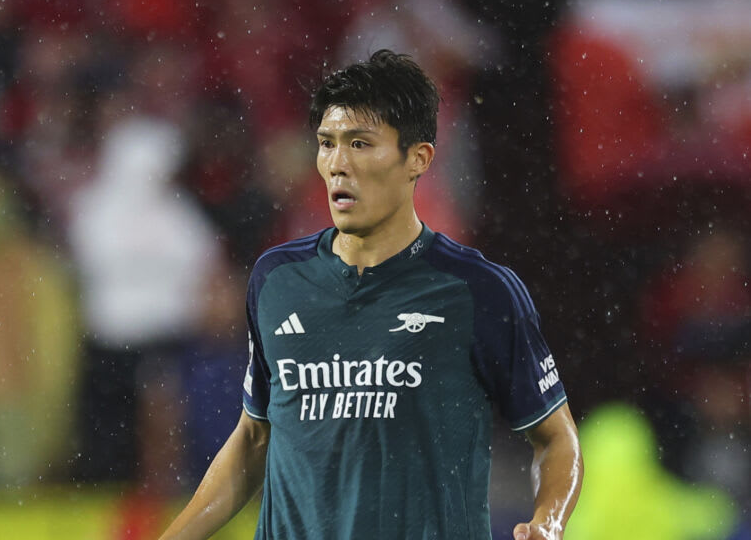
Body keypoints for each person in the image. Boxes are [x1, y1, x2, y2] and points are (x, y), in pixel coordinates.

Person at [159, 50, 582, 540]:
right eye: (327, 143)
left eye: (360, 144)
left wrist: (549, 523)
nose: (338, 164)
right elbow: (254, 438)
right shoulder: (276, 280)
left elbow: (556, 438)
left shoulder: (479, 291)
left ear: (417, 159)